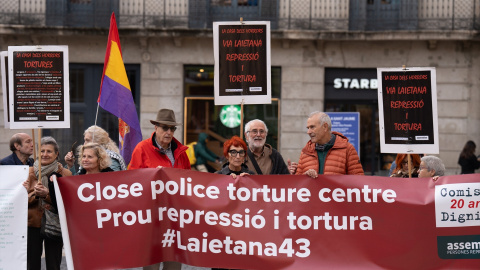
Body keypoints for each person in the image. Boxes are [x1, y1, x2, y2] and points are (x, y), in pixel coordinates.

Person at [129, 109, 190, 270]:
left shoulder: (181, 152)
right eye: (165, 128)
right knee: (151, 265)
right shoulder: (141, 149)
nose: (169, 132)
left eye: (172, 128)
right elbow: (131, 182)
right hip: (151, 220)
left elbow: (189, 183)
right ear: (155, 127)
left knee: (173, 266)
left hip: (174, 219)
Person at [22, 136, 72, 270]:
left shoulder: (65, 174)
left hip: (55, 224)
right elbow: (20, 203)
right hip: (32, 223)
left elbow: (68, 202)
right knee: (32, 263)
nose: (45, 154)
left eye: (49, 151)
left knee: (53, 264)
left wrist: (47, 195)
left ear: (56, 154)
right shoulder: (28, 172)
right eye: (42, 151)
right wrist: (34, 194)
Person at [292, 111, 364, 178]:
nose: (308, 132)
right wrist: (303, 176)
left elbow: (358, 181)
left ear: (325, 127)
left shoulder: (347, 149)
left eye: (312, 127)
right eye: (308, 128)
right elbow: (299, 185)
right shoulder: (305, 151)